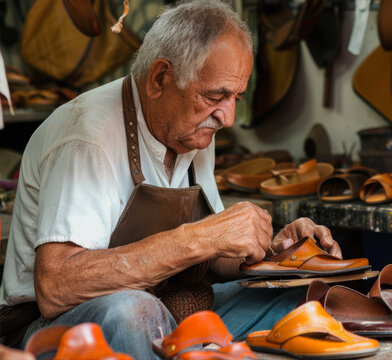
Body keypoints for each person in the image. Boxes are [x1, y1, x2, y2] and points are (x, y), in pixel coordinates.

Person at [0, 1, 342, 358]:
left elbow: (212, 254)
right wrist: (202, 236)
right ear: (160, 78)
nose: (228, 117)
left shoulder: (189, 128)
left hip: (165, 307)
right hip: (52, 329)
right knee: (134, 312)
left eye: (236, 97)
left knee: (303, 301)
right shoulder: (88, 137)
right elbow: (57, 287)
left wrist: (267, 250)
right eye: (216, 95)